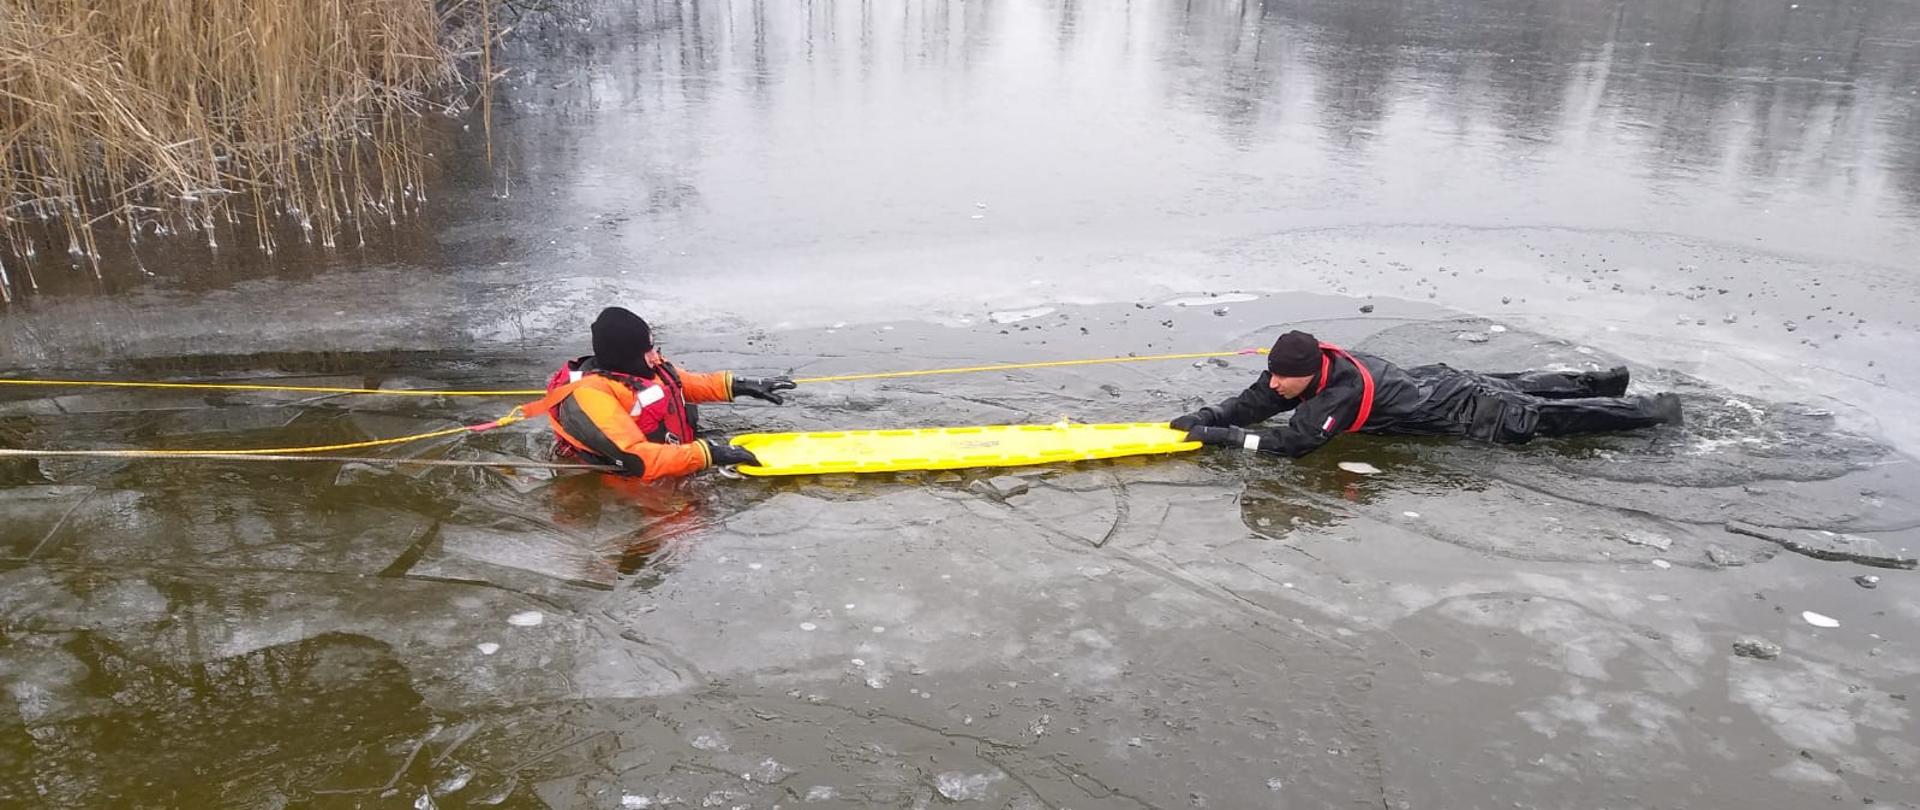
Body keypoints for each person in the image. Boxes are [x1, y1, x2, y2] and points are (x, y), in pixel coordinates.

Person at [1169, 329, 1681, 458]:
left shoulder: (1338, 393)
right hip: (1437, 382)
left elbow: (1293, 445)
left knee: (1543, 418)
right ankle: (1601, 381)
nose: (1275, 384)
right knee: (1520, 384)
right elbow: (1256, 402)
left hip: (1466, 409)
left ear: (1308, 371)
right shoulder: (1302, 367)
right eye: (1272, 374)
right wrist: (1211, 412)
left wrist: (1221, 437)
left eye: (1283, 378)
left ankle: (1649, 411)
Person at [525, 307, 794, 481]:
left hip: (673, 455)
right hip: (626, 482)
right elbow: (637, 458)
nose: (657, 357)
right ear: (626, 355)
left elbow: (683, 383)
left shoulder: (642, 367)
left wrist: (741, 385)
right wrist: (709, 455)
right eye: (649, 350)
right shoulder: (590, 398)